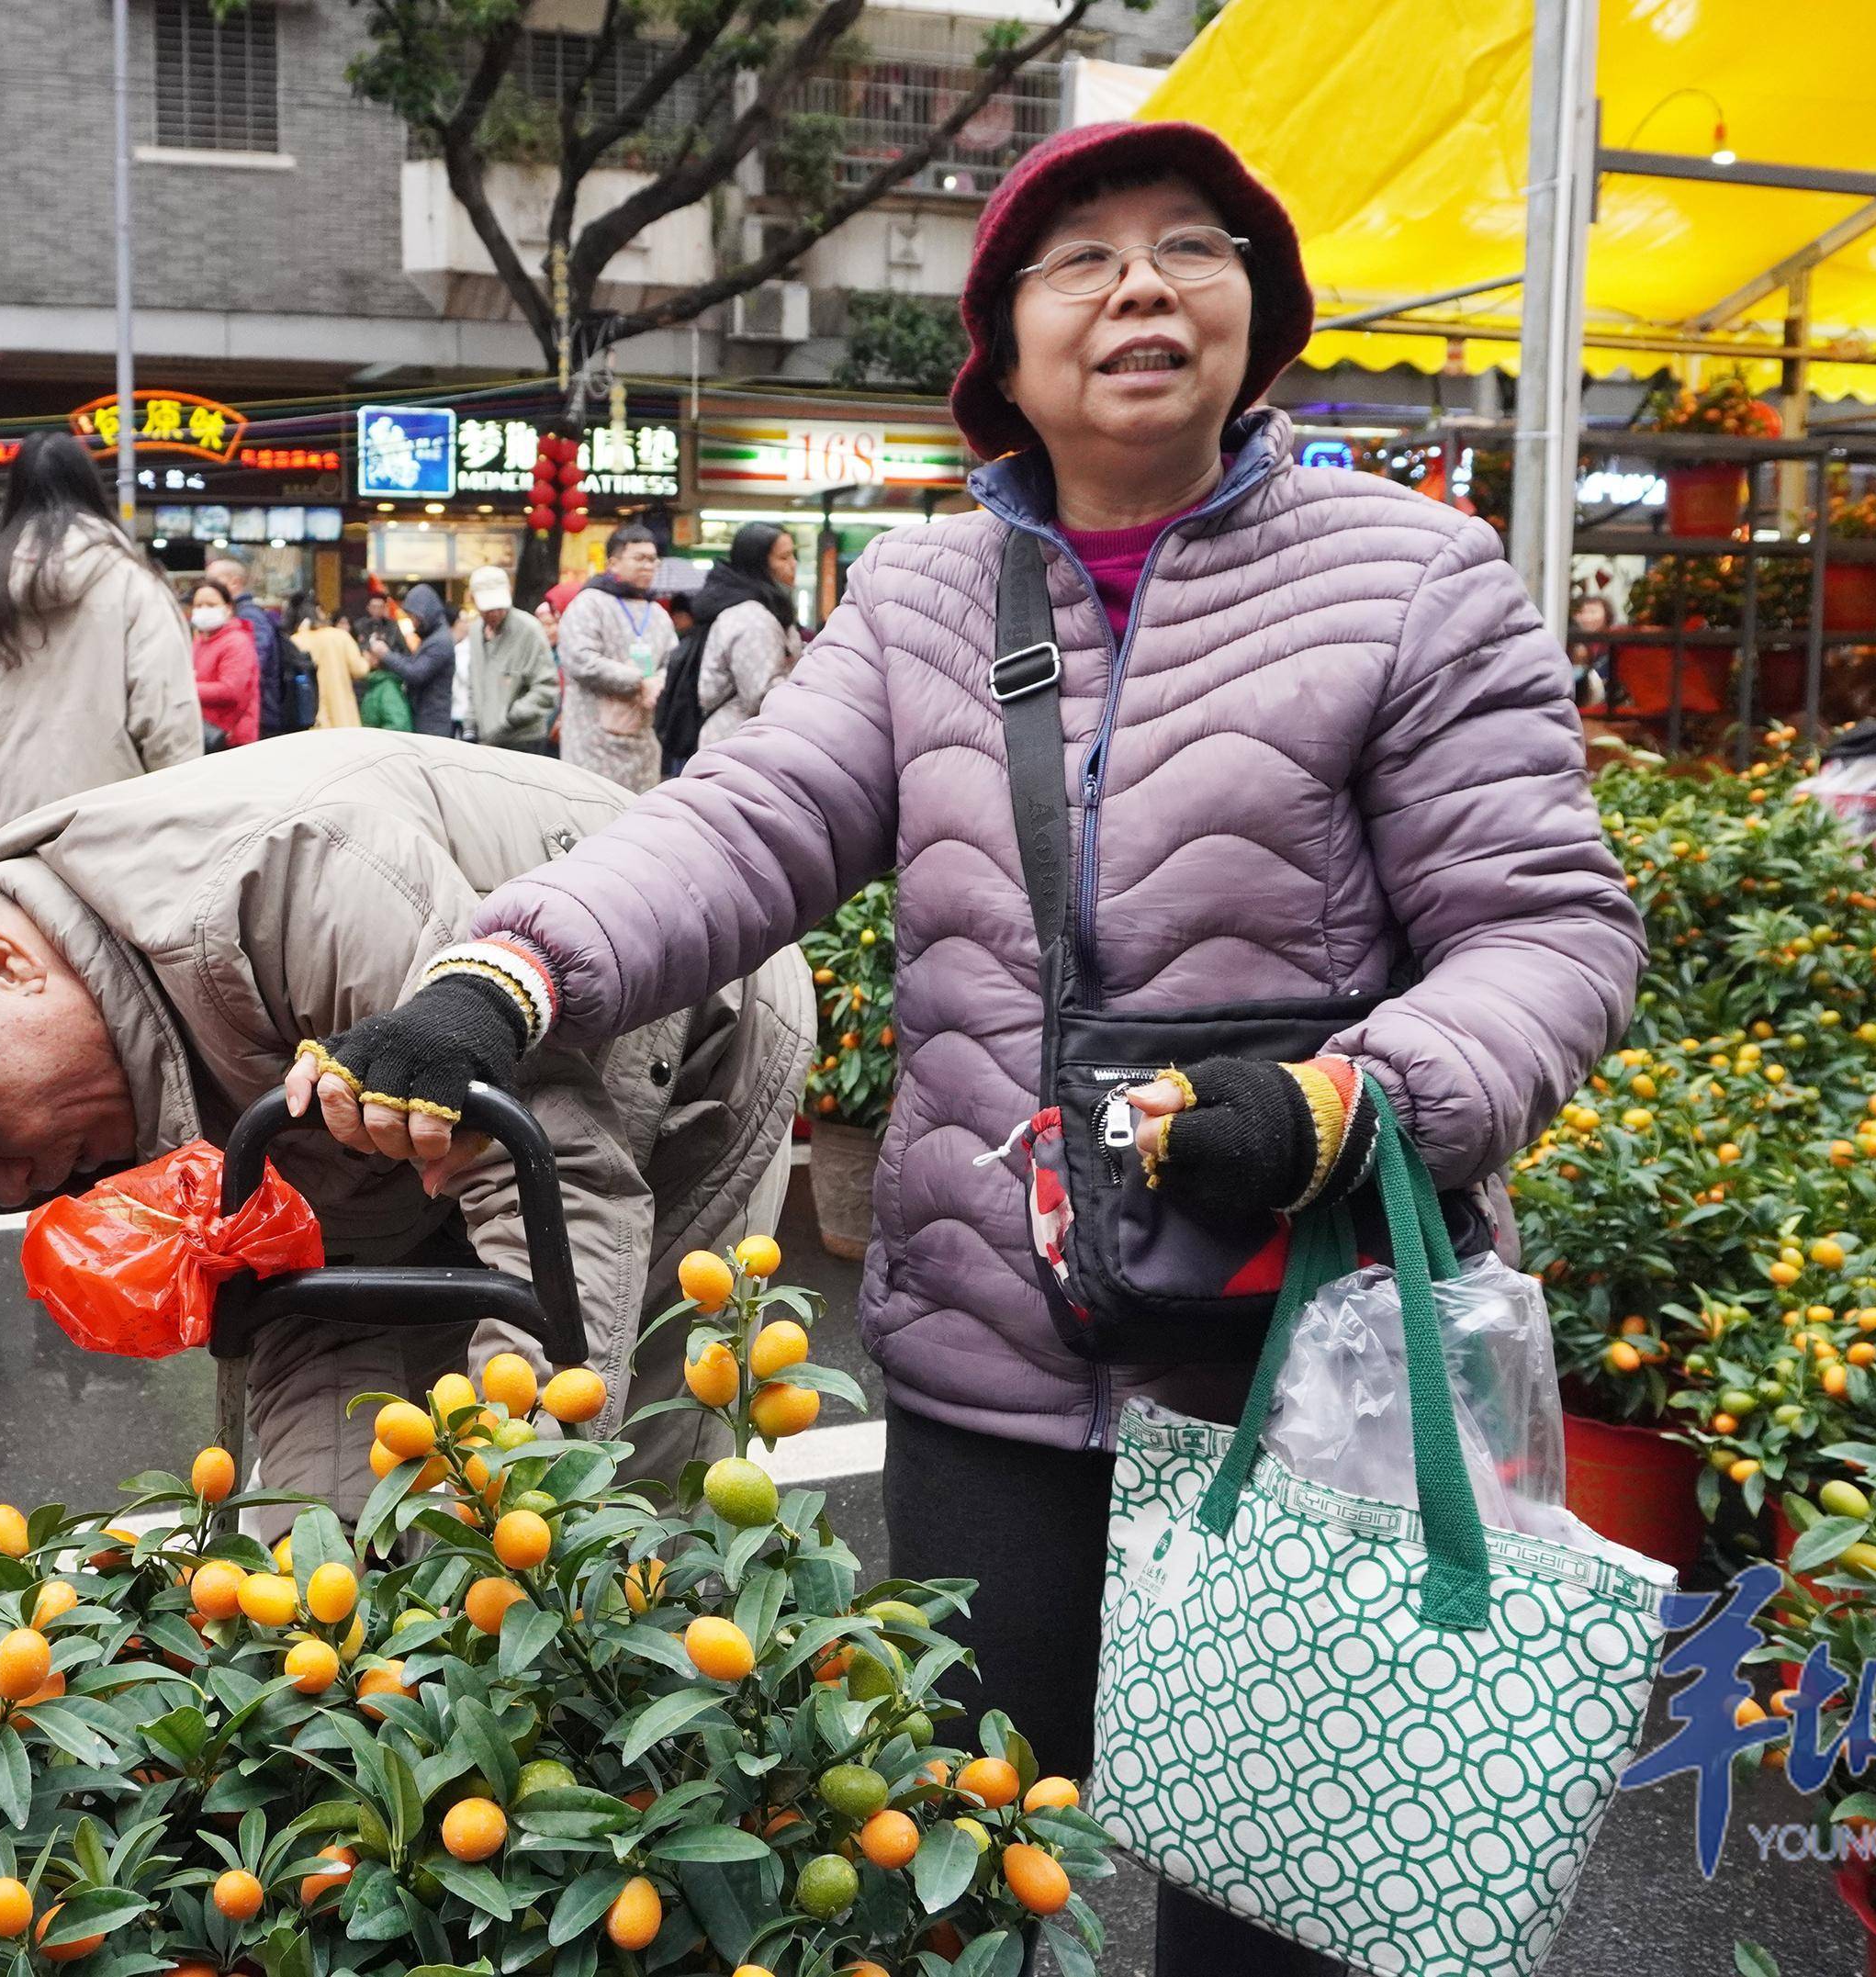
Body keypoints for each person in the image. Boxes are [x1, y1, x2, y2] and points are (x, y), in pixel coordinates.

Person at [293, 120, 1644, 1973]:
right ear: (1002, 349)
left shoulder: (1415, 577)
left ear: (1264, 311)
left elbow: (1547, 930)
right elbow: (744, 823)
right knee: (956, 1862)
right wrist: (503, 976)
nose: (1146, 284)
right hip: (994, 1354)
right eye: (1080, 261)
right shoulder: (923, 598)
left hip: (1298, 1355)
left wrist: (1346, 1104)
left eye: (1196, 246)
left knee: (1277, 1895)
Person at [0, 732, 810, 1521]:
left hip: (671, 1038)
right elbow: (297, 1301)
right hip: (389, 1166)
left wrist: (507, 1515)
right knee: (323, 1554)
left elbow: (563, 1184)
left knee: (608, 1494)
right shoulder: (94, 1049)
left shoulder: (279, 881)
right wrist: (300, 1555)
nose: (8, 1190)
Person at [0, 430, 199, 835]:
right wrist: (180, 816)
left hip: (12, 826)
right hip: (116, 828)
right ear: (90, 487)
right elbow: (167, 717)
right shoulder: (131, 584)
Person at [554, 523, 673, 792]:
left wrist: (658, 683)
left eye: (653, 559)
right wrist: (638, 681)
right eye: (639, 558)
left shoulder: (658, 613)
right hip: (592, 737)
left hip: (642, 735)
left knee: (639, 815)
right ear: (613, 563)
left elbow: (670, 662)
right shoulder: (589, 603)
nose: (648, 566)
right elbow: (580, 659)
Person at [692, 523, 804, 747]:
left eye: (793, 555)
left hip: (745, 740)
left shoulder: (764, 610)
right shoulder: (753, 619)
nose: (793, 564)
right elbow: (760, 695)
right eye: (783, 558)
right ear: (759, 565)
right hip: (737, 742)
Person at [208, 552, 309, 736]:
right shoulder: (239, 614)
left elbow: (252, 668)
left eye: (213, 581)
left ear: (235, 582)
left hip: (261, 717)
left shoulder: (249, 616)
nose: (208, 588)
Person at [461, 567, 557, 755]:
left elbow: (547, 689)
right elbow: (475, 683)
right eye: (488, 608)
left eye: (499, 607)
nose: (495, 613)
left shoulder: (529, 629)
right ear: (473, 600)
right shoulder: (475, 631)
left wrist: (510, 719)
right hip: (486, 739)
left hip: (524, 739)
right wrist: (470, 724)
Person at [187, 578, 261, 750]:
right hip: (206, 733)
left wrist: (187, 688)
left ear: (228, 608)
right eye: (198, 605)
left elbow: (230, 690)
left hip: (231, 739)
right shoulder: (199, 641)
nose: (203, 610)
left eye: (211, 605)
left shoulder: (236, 642)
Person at [386, 583, 458, 737]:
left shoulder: (440, 642)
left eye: (413, 616)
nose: (412, 622)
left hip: (432, 724)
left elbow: (417, 672)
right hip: (427, 719)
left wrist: (386, 655)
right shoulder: (434, 638)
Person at [285, 595, 364, 730]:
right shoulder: (339, 636)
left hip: (310, 719)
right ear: (318, 612)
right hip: (343, 720)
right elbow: (360, 669)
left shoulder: (294, 641)